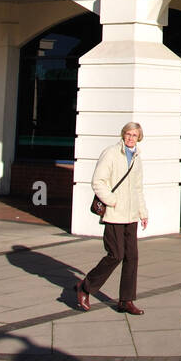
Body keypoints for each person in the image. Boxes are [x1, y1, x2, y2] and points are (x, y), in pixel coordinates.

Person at [77, 122, 149, 314]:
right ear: (123, 135)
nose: (131, 138)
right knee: (115, 255)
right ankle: (85, 287)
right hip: (114, 214)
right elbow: (98, 181)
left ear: (139, 137)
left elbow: (138, 188)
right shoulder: (110, 153)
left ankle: (126, 301)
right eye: (128, 134)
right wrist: (112, 200)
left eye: (134, 135)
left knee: (131, 257)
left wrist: (143, 212)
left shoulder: (137, 157)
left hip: (131, 215)